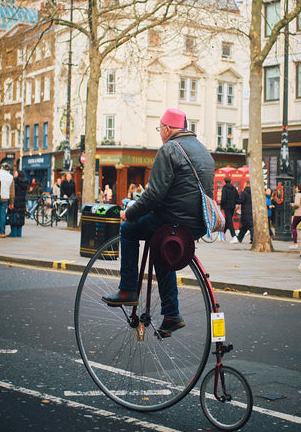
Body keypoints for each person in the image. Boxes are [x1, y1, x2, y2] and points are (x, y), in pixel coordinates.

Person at [101, 108, 214, 335]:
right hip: (196, 225)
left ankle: (127, 290)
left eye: (159, 129)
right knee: (162, 247)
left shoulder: (169, 148)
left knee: (129, 231)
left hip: (171, 220)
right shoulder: (204, 151)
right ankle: (171, 314)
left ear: (167, 128)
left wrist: (130, 214)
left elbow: (154, 194)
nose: (160, 134)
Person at [8, 169, 29, 237]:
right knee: (20, 218)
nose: (14, 174)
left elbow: (12, 193)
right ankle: (19, 233)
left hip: (15, 202)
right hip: (22, 202)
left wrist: (11, 202)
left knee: (14, 217)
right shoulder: (25, 182)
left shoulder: (14, 182)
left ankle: (13, 233)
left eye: (15, 173)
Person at [220, 176, 239, 243]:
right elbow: (237, 197)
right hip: (232, 207)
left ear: (224, 181)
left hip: (226, 207)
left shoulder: (224, 188)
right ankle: (222, 235)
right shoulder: (234, 189)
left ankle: (234, 236)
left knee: (229, 221)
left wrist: (221, 206)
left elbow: (223, 198)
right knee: (228, 220)